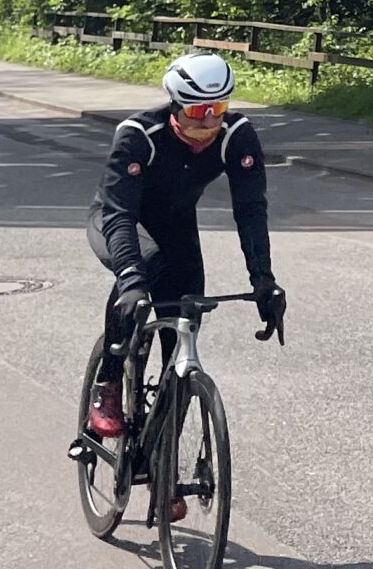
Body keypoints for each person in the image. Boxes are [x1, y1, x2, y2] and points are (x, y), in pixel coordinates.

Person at [83, 52, 284, 515]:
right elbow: (118, 215)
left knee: (183, 323)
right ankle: (109, 383)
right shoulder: (138, 136)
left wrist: (264, 281)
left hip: (175, 225)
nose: (208, 122)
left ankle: (163, 466)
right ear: (175, 105)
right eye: (196, 112)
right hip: (120, 220)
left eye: (218, 109)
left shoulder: (237, 136)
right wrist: (131, 281)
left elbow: (251, 211)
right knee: (143, 275)